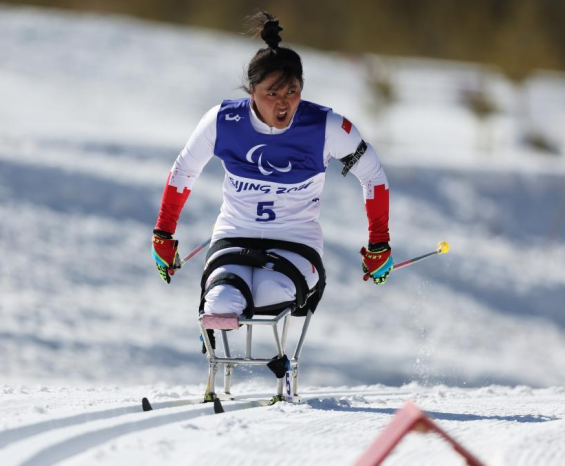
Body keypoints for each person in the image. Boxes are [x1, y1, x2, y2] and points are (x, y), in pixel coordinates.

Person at [151, 11, 392, 331]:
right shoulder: (222, 121)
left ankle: (278, 362)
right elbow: (183, 172)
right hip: (234, 237)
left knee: (270, 293)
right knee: (222, 302)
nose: (283, 104)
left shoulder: (327, 126)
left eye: (291, 92)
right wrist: (162, 235)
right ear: (251, 91)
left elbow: (373, 176)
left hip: (295, 242)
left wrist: (379, 243)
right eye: (272, 93)